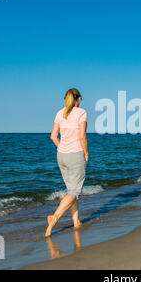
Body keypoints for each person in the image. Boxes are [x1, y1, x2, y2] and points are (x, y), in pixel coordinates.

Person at [45, 88, 88, 237]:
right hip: (76, 155)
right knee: (75, 192)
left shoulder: (59, 113)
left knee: (71, 191)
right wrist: (86, 153)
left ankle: (76, 222)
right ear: (78, 98)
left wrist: (62, 147)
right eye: (81, 99)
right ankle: (54, 218)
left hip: (61, 156)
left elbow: (53, 136)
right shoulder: (81, 112)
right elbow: (82, 136)